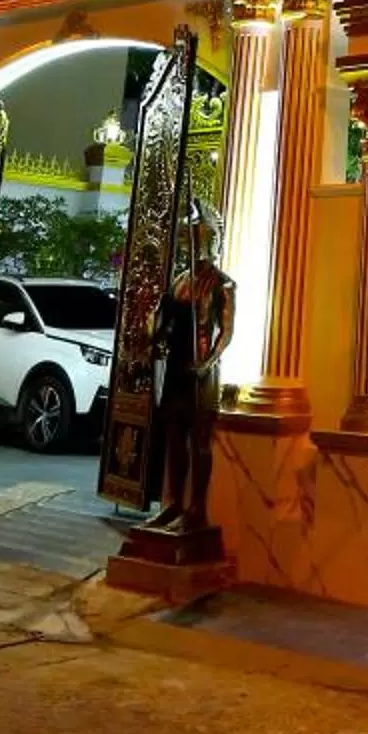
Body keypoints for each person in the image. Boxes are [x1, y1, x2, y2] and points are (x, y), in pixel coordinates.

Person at [141, 200, 234, 535]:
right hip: (178, 365)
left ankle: (196, 508)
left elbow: (226, 332)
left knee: (199, 442)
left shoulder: (222, 283)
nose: (190, 244)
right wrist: (153, 332)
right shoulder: (180, 280)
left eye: (195, 237)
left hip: (202, 371)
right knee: (175, 439)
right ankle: (173, 504)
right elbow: (165, 321)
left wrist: (206, 363)